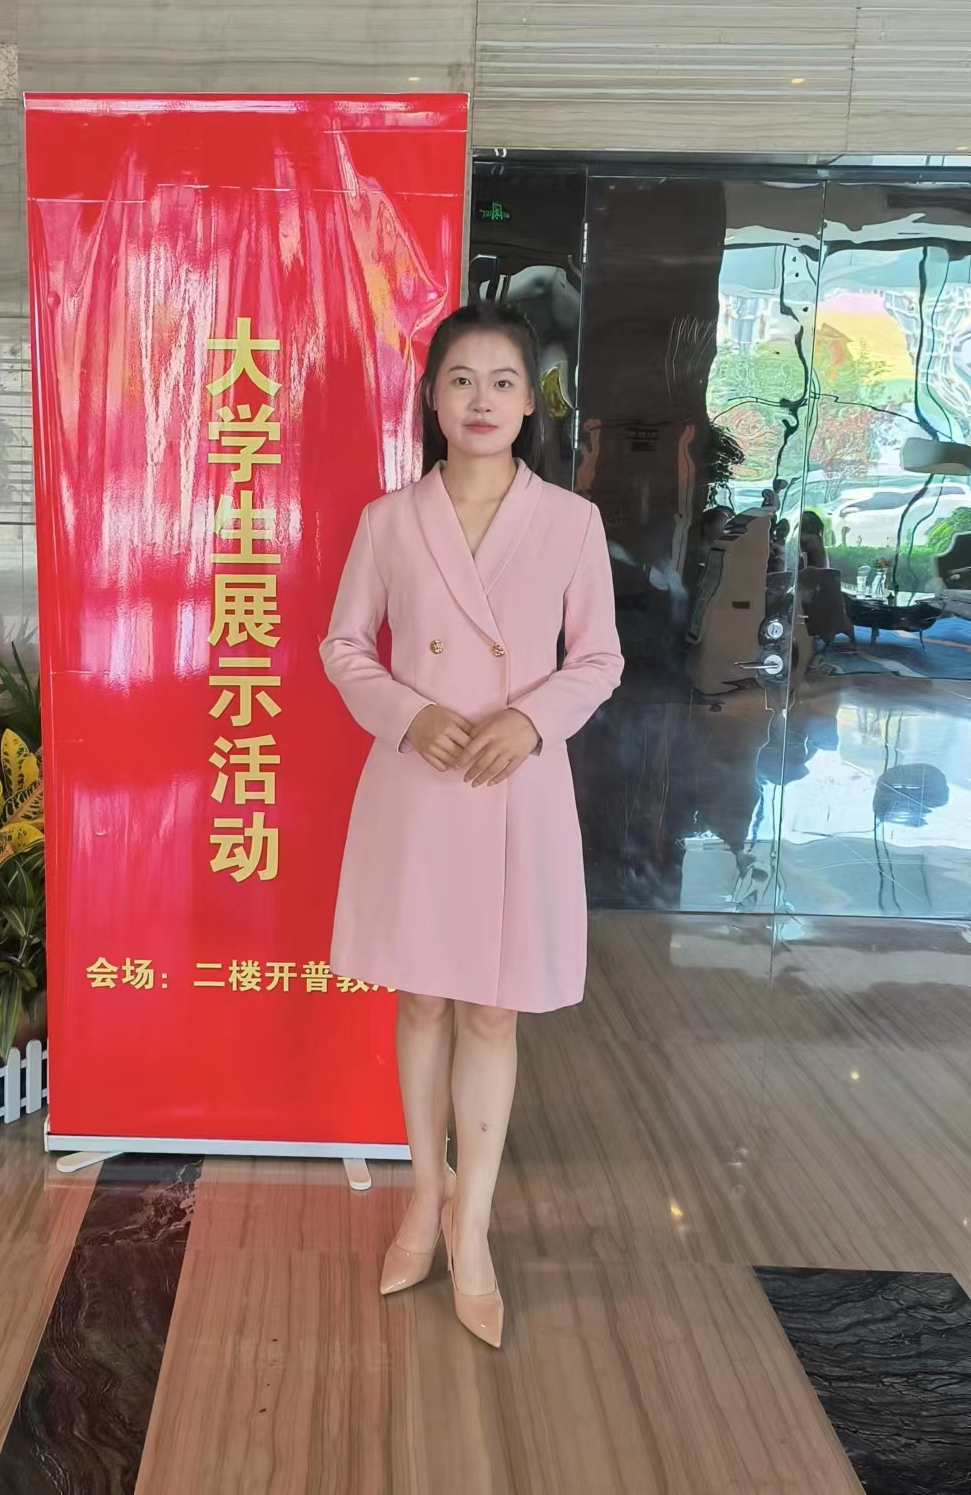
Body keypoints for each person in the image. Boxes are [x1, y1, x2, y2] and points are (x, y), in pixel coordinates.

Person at [319, 301, 623, 1347]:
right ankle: (422, 1198)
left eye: (502, 381)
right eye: (460, 378)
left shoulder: (570, 522)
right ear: (432, 397)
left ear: (531, 401)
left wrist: (531, 721)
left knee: (493, 1011)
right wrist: (409, 712)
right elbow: (344, 645)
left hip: (515, 783)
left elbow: (598, 657)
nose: (480, 399)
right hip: (420, 778)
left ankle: (473, 1224)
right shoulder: (389, 520)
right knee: (420, 999)